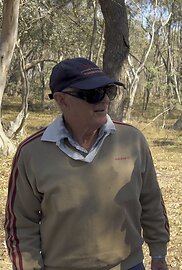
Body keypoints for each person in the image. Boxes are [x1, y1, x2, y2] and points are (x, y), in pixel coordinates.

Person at [4, 57, 170, 270]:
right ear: (62, 100)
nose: (104, 100)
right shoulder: (32, 153)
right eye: (92, 94)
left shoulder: (132, 140)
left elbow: (152, 202)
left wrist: (158, 253)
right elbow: (20, 225)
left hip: (129, 265)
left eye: (108, 91)